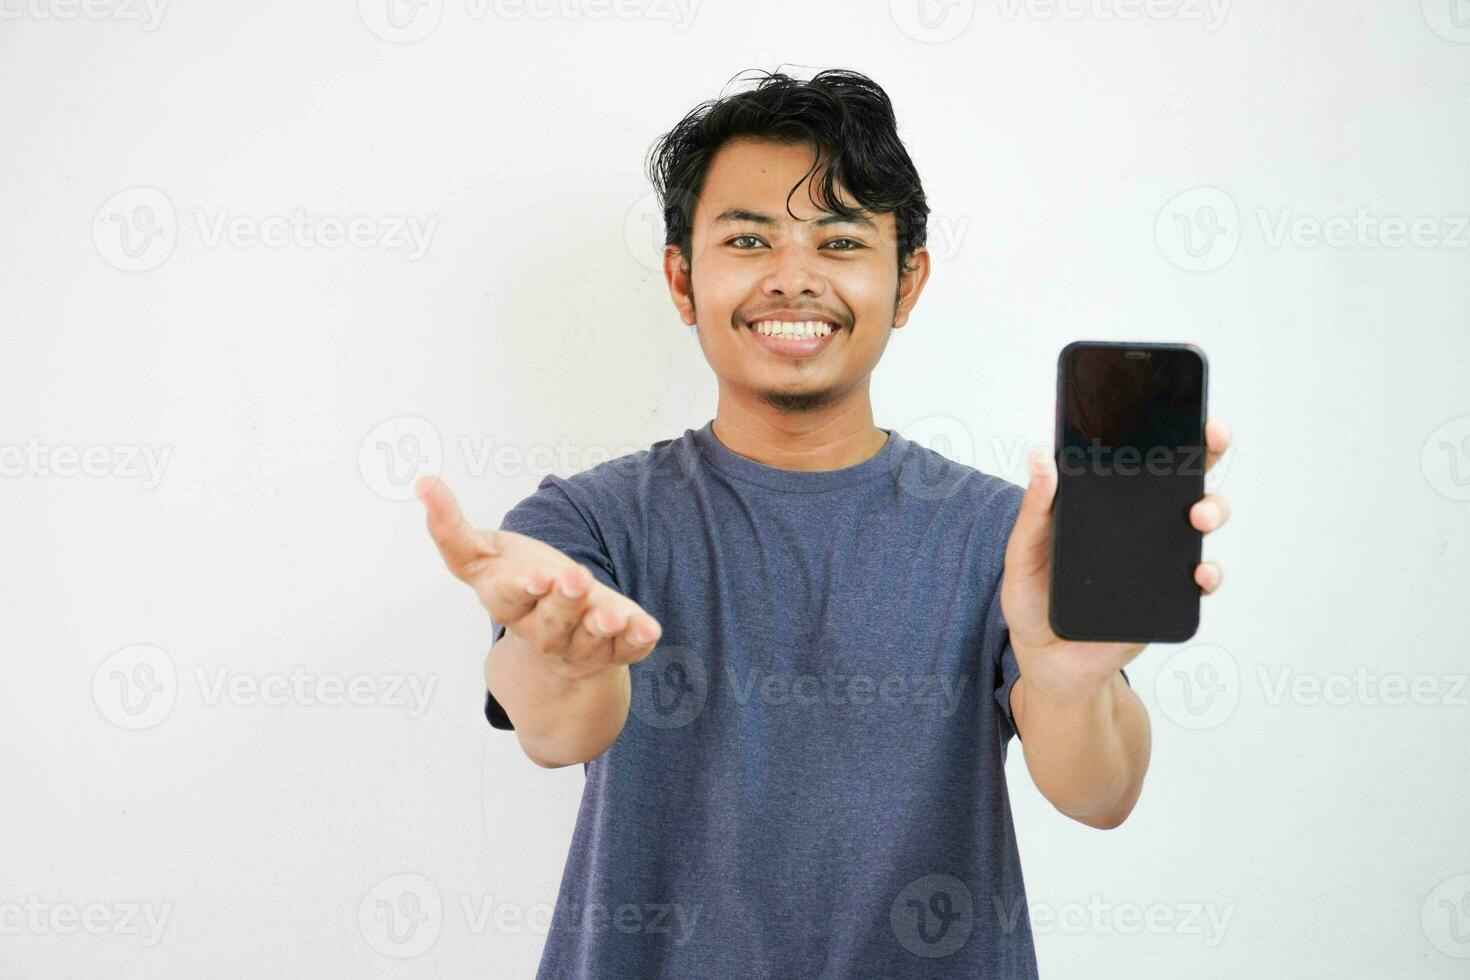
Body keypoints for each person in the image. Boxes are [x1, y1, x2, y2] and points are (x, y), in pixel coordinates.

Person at [417, 67, 1233, 979]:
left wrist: (1068, 678)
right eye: (749, 239)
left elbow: (1103, 794)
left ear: (908, 281)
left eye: (840, 241)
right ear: (683, 280)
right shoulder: (587, 523)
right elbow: (559, 729)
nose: (793, 279)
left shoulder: (1007, 539)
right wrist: (561, 657)